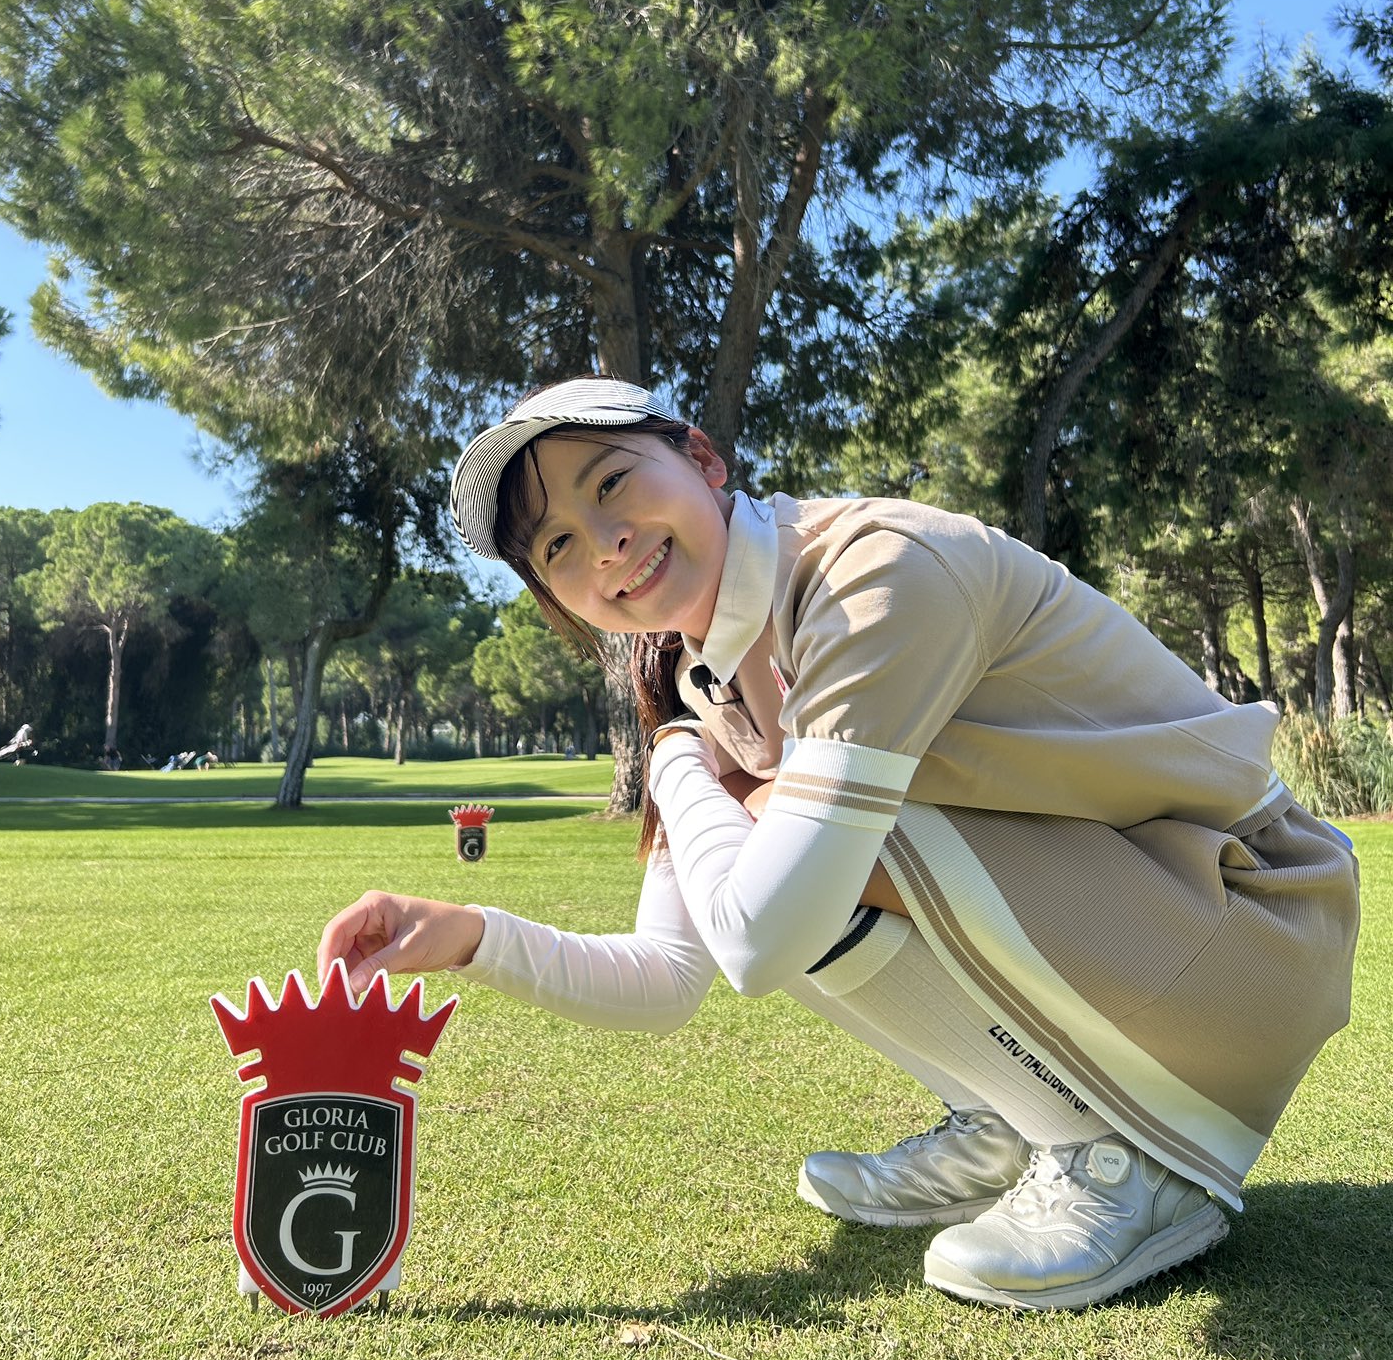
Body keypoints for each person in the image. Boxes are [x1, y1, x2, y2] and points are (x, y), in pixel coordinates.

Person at [318, 379, 1360, 1312]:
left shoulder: (871, 573)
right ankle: (1009, 1116)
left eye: (613, 482)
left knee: (786, 846)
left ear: (703, 459)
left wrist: (673, 759)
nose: (603, 541)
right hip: (1149, 927)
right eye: (555, 545)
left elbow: (759, 937)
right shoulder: (704, 675)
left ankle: (1126, 1159)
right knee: (780, 837)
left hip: (1251, 916)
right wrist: (467, 935)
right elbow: (671, 976)